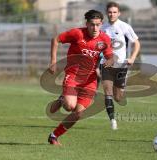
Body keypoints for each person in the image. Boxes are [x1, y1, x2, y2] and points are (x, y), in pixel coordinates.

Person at [47, 9, 113, 146]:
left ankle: (54, 136)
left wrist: (109, 63)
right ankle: (62, 99)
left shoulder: (104, 39)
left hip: (90, 80)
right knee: (70, 106)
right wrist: (53, 61)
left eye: (98, 24)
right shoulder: (77, 33)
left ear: (101, 24)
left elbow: (110, 56)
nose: (95, 28)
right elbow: (56, 39)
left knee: (78, 113)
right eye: (92, 24)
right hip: (73, 76)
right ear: (87, 23)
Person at [100, 1, 140, 130]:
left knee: (118, 97)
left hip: (121, 65)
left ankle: (121, 88)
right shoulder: (102, 28)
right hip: (106, 64)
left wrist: (132, 58)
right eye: (110, 12)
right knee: (107, 92)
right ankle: (113, 121)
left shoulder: (124, 27)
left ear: (119, 13)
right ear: (107, 13)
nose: (112, 14)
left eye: (114, 12)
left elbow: (137, 43)